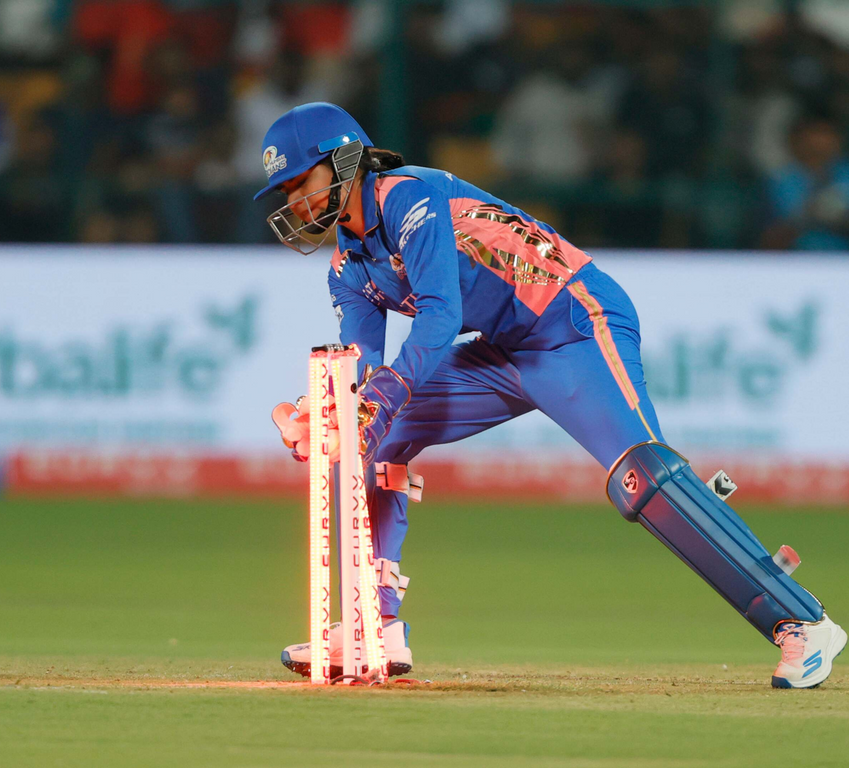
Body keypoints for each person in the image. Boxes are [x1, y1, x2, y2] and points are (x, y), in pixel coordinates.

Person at [261, 102, 845, 689]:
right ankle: (373, 625)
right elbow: (360, 373)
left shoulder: (409, 198)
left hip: (573, 323)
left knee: (643, 479)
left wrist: (376, 401)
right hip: (504, 352)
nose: (296, 201)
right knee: (368, 436)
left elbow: (440, 316)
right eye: (285, 192)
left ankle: (800, 620)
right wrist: (330, 415)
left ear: (346, 159)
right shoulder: (348, 267)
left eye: (301, 181)